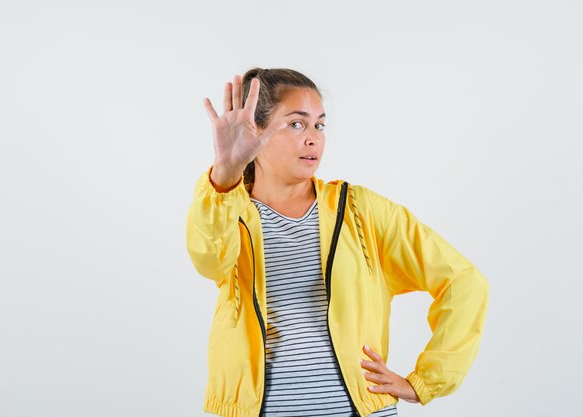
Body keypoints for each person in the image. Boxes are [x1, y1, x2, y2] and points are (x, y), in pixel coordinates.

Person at [186, 68, 489, 417]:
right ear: (254, 131)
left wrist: (425, 382)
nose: (313, 137)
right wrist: (224, 175)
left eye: (319, 124)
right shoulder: (226, 208)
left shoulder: (360, 211)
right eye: (297, 124)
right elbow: (209, 261)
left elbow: (463, 280)